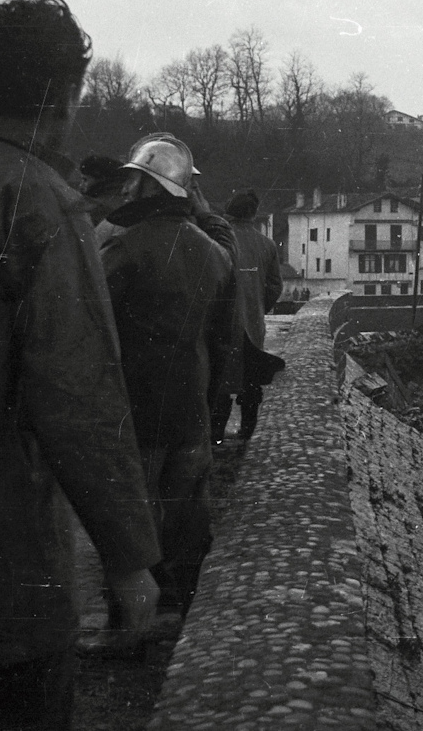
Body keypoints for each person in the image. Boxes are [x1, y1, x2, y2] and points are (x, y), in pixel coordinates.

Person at [0, 0, 162, 729]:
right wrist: (126, 556)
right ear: (67, 97)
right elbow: (78, 393)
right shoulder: (43, 203)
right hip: (5, 543)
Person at [99, 136, 237, 619]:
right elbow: (225, 342)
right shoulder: (216, 255)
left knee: (132, 520)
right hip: (192, 409)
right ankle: (186, 611)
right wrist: (209, 401)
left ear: (145, 185)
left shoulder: (121, 250)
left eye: (132, 181)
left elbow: (93, 337)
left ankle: (129, 626)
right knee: (187, 515)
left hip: (138, 411)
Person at [211, 190, 285, 444]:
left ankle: (217, 435)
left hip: (220, 324)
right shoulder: (267, 245)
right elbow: (275, 286)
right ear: (253, 214)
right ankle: (246, 432)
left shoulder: (217, 241)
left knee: (219, 382)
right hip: (253, 325)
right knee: (251, 381)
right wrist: (257, 307)